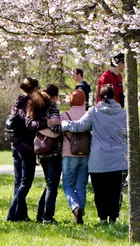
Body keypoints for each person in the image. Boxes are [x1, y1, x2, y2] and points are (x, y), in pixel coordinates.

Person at [60, 83, 128, 224]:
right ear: (114, 96)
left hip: (99, 160)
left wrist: (64, 124)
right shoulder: (123, 113)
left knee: (100, 191)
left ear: (99, 96)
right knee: (115, 191)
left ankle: (103, 218)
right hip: (119, 159)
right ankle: (113, 218)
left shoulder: (94, 111)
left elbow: (79, 126)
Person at [29, 84, 64, 224]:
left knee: (49, 183)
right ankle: (47, 217)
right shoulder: (52, 107)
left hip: (41, 150)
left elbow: (32, 124)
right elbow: (56, 128)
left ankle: (40, 215)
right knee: (52, 185)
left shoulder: (37, 107)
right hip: (54, 151)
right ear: (54, 96)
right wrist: (62, 124)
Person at [6, 77, 41, 221]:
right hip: (27, 147)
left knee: (18, 182)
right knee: (26, 182)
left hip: (15, 145)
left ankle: (21, 214)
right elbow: (31, 124)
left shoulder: (17, 101)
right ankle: (12, 214)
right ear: (36, 88)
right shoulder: (33, 103)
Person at [61, 88, 92, 224]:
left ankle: (75, 207)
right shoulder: (89, 114)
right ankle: (80, 213)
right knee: (81, 185)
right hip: (85, 153)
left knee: (67, 185)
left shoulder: (65, 115)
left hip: (69, 153)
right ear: (84, 101)